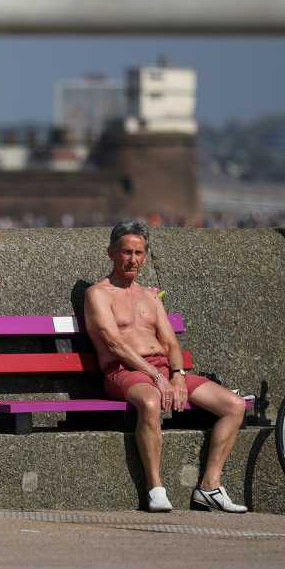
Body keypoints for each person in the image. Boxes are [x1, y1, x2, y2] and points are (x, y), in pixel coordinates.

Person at [83, 220, 248, 513]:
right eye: (126, 252)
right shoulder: (98, 294)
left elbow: (171, 343)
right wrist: (155, 376)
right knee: (150, 401)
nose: (132, 259)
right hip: (124, 371)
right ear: (111, 253)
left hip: (161, 369)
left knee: (235, 405)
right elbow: (115, 344)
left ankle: (209, 486)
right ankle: (155, 488)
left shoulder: (150, 296)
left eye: (139, 252)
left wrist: (178, 376)